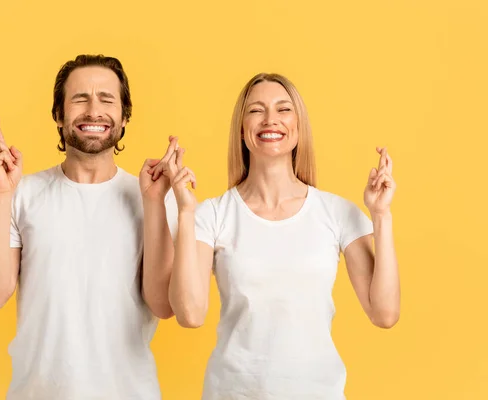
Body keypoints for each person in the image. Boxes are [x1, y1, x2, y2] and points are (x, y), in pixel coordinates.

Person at [165, 73, 401, 399]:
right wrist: (185, 213)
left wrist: (381, 215)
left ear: (299, 126)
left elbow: (385, 313)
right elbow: (190, 315)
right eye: (256, 110)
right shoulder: (211, 215)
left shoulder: (337, 213)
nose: (270, 119)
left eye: (283, 109)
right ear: (242, 130)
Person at [0, 54, 179, 399]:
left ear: (124, 117)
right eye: (80, 98)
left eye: (106, 99)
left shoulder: (154, 196)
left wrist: (154, 204)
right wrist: (0, 193)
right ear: (58, 115)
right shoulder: (23, 194)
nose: (93, 110)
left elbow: (162, 305)